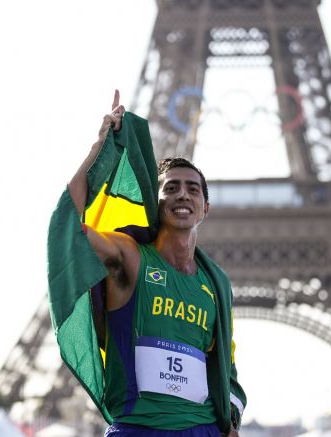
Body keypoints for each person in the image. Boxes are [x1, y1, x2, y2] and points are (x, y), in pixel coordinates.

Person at [51, 90, 246, 437]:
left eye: (192, 189)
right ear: (156, 204)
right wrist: (99, 151)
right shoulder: (130, 257)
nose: (182, 194)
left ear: (205, 208)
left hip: (202, 429)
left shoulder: (216, 284)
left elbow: (224, 365)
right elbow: (73, 226)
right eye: (170, 189)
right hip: (140, 429)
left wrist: (230, 424)